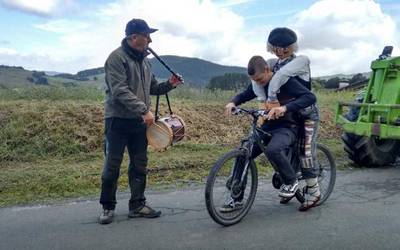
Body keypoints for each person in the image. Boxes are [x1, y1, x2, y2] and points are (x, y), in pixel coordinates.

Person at [99, 18, 183, 224]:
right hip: (117, 121)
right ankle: (107, 207)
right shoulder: (115, 59)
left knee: (139, 164)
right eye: (146, 35)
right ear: (133, 37)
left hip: (138, 123)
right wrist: (143, 110)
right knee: (112, 165)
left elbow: (152, 88)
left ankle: (137, 205)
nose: (150, 40)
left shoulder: (145, 61)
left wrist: (170, 84)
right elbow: (119, 91)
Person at [223, 54, 316, 212]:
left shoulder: (285, 81)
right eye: (255, 81)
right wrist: (233, 102)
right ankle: (236, 198)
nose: (258, 83)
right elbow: (246, 94)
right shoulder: (257, 83)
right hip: (267, 126)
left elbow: (309, 97)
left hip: (288, 126)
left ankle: (291, 181)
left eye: (259, 79)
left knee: (274, 149)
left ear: (267, 69)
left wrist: (284, 108)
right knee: (244, 152)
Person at [252, 27, 321, 211]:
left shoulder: (300, 61)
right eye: (274, 47)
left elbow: (281, 78)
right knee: (280, 146)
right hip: (288, 114)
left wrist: (275, 102)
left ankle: (314, 191)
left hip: (306, 113)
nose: (277, 50)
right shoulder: (274, 64)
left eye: (281, 47)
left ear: (289, 48)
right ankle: (290, 181)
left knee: (305, 152)